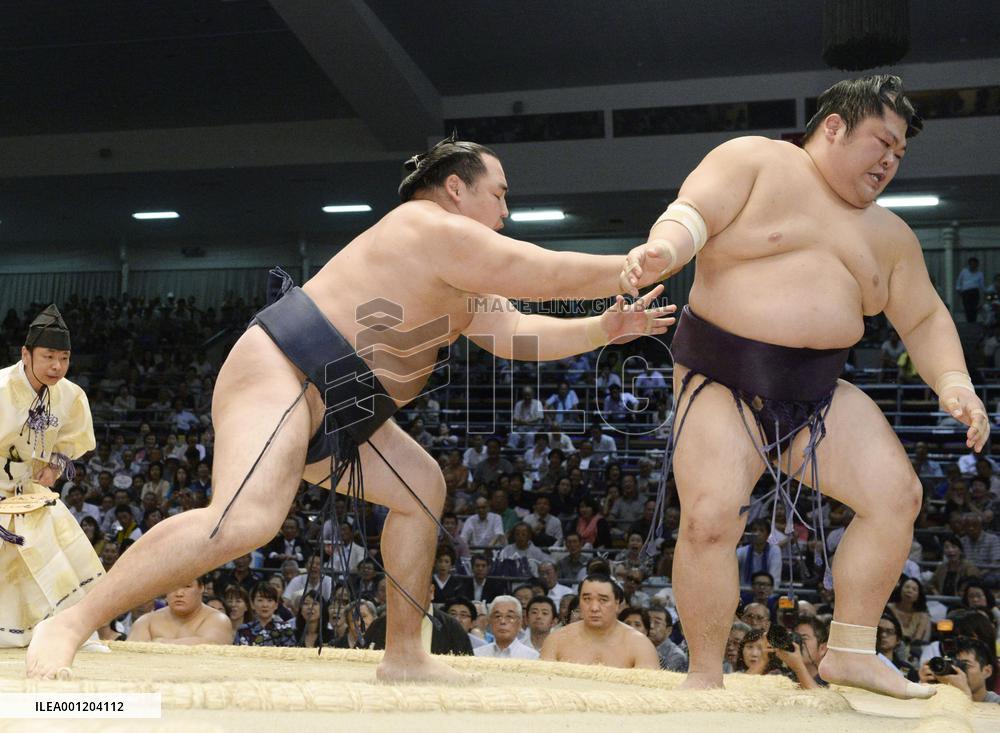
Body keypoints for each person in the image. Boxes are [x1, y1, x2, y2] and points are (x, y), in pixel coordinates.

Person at [27, 136, 672, 681]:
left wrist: (602, 331)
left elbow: (518, 334)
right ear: (455, 188)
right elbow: (548, 272)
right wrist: (632, 265)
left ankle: (402, 655)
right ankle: (73, 620)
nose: (506, 209)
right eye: (499, 193)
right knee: (244, 521)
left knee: (421, 488)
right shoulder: (426, 227)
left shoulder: (463, 280)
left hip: (342, 412)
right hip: (283, 368)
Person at [620, 75, 989, 699]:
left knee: (897, 496)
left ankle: (850, 650)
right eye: (883, 142)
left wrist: (955, 381)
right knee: (710, 519)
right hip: (720, 378)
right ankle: (705, 674)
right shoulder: (758, 161)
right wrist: (664, 249)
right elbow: (692, 214)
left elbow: (924, 317)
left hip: (819, 394)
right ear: (836, 126)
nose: (891, 161)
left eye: (901, 153)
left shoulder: (890, 235)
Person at [0, 306, 107, 652]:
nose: (56, 366)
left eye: (64, 358)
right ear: (26, 354)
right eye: (48, 356)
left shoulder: (70, 395)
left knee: (51, 553)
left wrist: (56, 466)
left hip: (29, 491)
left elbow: (70, 442)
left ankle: (68, 633)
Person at [540, 573, 659, 669]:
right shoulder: (556, 640)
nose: (594, 608)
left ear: (617, 604)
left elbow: (648, 696)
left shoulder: (640, 645)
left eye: (603, 600)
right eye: (587, 599)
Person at [127, 576, 232, 645]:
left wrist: (160, 642)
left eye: (187, 586)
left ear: (201, 588)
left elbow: (211, 645)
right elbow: (132, 658)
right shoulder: (146, 621)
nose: (179, 593)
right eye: (173, 587)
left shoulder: (218, 620)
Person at [919, 637, 999, 704]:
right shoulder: (942, 699)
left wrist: (964, 694)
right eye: (954, 664)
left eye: (965, 665)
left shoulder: (996, 703)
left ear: (987, 671)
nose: (959, 671)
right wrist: (924, 689)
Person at [473, 595, 538, 660]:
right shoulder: (477, 655)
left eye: (509, 616)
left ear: (520, 622)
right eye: (497, 616)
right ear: (489, 621)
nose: (503, 621)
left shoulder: (532, 657)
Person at [956, 257, 986, 324]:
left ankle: (973, 321)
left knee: (974, 308)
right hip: (966, 292)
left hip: (975, 291)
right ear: (969, 264)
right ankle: (969, 322)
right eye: (972, 264)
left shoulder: (980, 274)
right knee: (967, 307)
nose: (973, 265)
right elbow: (959, 281)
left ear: (977, 265)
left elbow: (982, 285)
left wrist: (984, 293)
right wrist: (958, 289)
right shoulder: (964, 272)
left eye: (975, 264)